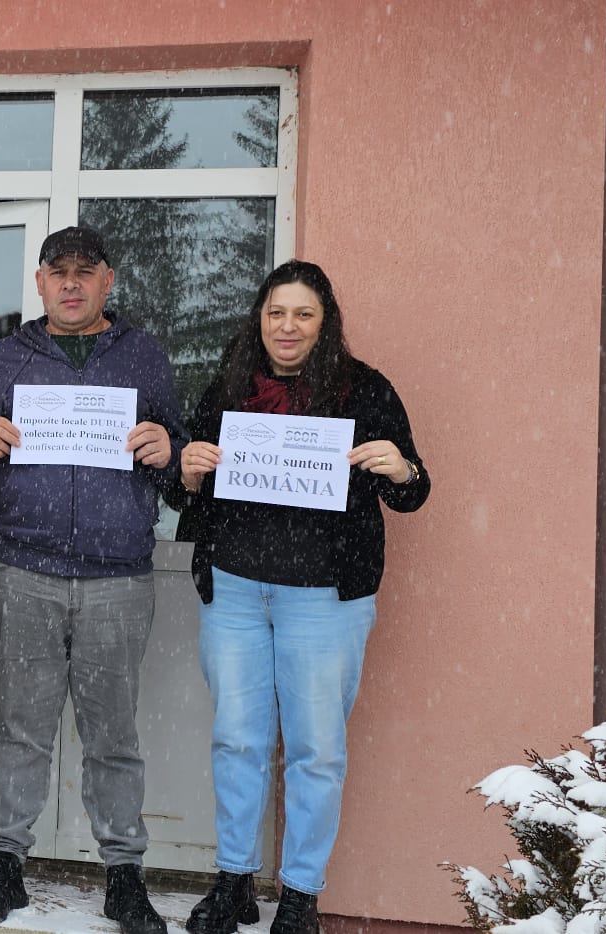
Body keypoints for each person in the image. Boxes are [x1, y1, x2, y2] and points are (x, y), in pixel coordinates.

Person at [175, 260, 430, 934]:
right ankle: (234, 882)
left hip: (323, 599)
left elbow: (411, 491)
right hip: (235, 591)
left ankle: (299, 896)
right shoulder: (230, 387)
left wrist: (401, 467)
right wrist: (188, 469)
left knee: (316, 750)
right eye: (276, 313)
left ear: (325, 323)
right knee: (237, 740)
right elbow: (183, 486)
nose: (287, 327)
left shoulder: (364, 390)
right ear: (259, 320)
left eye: (303, 314)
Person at [0, 226, 183, 934]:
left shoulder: (143, 355)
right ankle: (4, 866)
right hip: (23, 570)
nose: (72, 283)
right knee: (22, 730)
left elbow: (180, 459)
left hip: (118, 578)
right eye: (59, 272)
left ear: (108, 280)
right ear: (41, 282)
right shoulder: (6, 356)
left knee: (113, 735)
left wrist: (169, 448)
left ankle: (124, 875)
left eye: (85, 271)